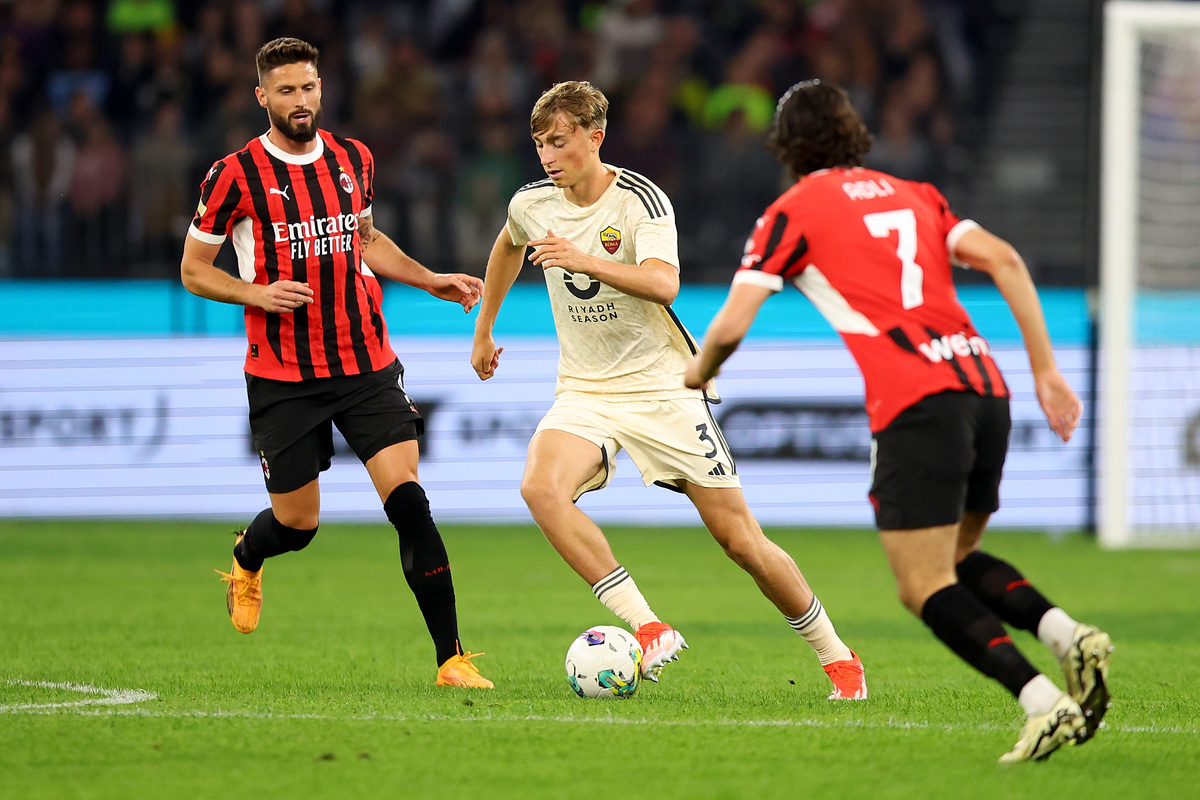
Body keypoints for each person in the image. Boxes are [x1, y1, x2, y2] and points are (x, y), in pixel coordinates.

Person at [684, 79, 1112, 762]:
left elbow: (733, 322)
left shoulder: (792, 210)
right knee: (960, 559)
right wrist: (1047, 372)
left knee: (923, 586)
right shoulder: (918, 195)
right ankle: (1066, 633)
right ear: (853, 132)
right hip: (985, 386)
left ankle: (1042, 701)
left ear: (787, 146)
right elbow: (1004, 259)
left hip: (919, 402)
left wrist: (700, 369)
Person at [470, 80, 866, 698]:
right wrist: (484, 328)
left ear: (594, 137)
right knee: (540, 490)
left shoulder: (639, 200)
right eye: (540, 143)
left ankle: (838, 656)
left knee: (742, 542)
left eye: (559, 140)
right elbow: (508, 244)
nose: (547, 155)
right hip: (587, 390)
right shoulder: (533, 202)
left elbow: (662, 285)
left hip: (663, 387)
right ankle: (649, 627)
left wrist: (583, 258)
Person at [180, 38, 493, 689]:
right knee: (299, 524)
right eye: (287, 91)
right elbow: (192, 270)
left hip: (365, 365)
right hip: (283, 377)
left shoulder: (354, 159)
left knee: (409, 502)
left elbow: (367, 240)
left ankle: (451, 659)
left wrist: (429, 279)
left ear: (323, 89)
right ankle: (247, 554)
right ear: (262, 97)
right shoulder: (233, 175)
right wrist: (254, 293)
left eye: (310, 87)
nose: (302, 101)